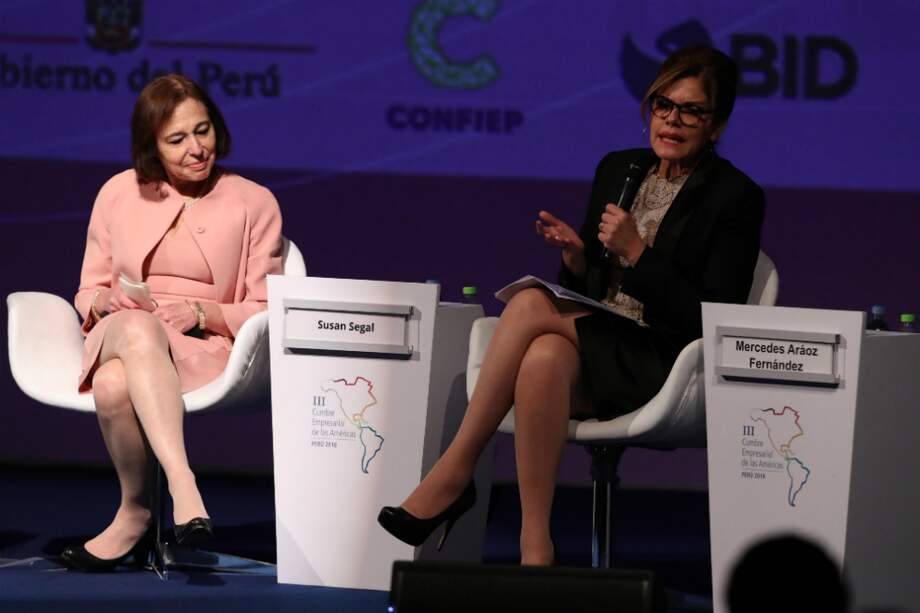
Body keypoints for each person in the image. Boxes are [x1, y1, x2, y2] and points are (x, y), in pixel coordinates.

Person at [378, 45, 764, 565]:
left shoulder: (735, 196)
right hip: (599, 345)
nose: (672, 120)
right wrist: (577, 259)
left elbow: (714, 315)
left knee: (530, 302)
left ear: (716, 125)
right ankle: (535, 545)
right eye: (663, 104)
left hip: (665, 359)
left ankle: (456, 469)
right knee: (542, 358)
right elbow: (592, 290)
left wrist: (638, 254)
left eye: (691, 110)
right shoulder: (620, 168)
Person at [60, 74, 283, 571]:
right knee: (138, 329)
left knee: (113, 383)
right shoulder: (118, 192)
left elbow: (267, 305)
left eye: (202, 131)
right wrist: (106, 300)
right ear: (151, 146)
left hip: (200, 345)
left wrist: (203, 312)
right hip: (122, 329)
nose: (196, 149)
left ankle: (134, 514)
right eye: (176, 139)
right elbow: (86, 291)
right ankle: (184, 485)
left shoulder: (254, 201)